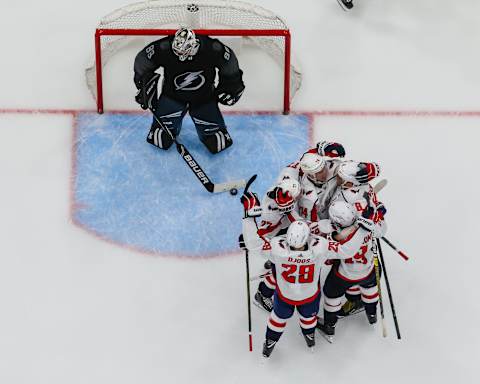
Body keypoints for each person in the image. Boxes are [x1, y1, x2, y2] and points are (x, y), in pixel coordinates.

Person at [133, 27, 245, 154]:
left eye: (182, 53)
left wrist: (232, 86)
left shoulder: (212, 48)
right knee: (160, 139)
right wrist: (142, 85)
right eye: (176, 51)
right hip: (172, 96)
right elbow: (142, 61)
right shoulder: (165, 47)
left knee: (217, 143)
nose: (179, 56)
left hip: (204, 98)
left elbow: (230, 64)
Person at [242, 219, 330, 357]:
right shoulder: (320, 249)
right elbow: (346, 250)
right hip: (309, 296)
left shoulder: (277, 250)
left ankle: (270, 343)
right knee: (308, 318)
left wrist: (248, 223)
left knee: (278, 318)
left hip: (285, 295)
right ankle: (309, 337)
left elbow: (254, 245)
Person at [316, 200, 387, 340]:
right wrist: (378, 216)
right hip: (369, 270)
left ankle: (329, 326)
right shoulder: (368, 225)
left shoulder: (335, 237)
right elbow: (381, 230)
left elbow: (330, 248)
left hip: (345, 276)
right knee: (370, 288)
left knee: (330, 294)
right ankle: (372, 315)